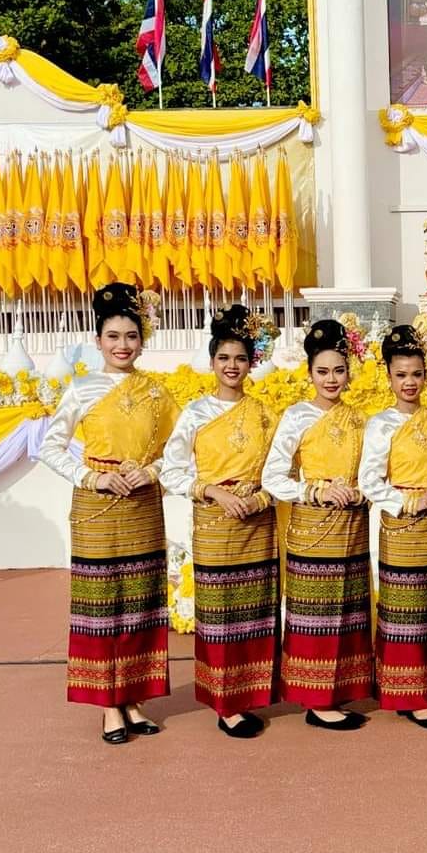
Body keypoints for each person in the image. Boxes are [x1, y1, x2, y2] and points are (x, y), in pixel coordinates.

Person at [38, 283, 178, 745]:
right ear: (98, 340)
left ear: (142, 340)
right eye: (113, 336)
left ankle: (134, 698)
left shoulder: (157, 392)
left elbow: (180, 452)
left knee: (140, 604)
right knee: (100, 608)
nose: (122, 345)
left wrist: (150, 471)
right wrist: (92, 477)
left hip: (142, 506)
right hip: (97, 510)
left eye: (131, 336)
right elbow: (50, 447)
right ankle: (108, 706)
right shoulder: (81, 388)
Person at [161, 307, 280, 740]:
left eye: (241, 358)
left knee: (256, 612)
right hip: (215, 523)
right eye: (224, 358)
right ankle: (226, 704)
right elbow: (171, 471)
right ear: (211, 362)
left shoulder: (265, 414)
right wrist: (214, 492)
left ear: (252, 363)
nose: (232, 366)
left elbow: (280, 472)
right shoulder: (195, 413)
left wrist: (259, 497)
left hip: (256, 523)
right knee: (221, 615)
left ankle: (251, 694)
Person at [260, 319, 372, 731]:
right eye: (322, 371)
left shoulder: (360, 419)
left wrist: (359, 491)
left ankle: (339, 690)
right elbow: (273, 477)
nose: (331, 379)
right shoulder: (296, 417)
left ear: (349, 372)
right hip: (313, 529)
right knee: (316, 615)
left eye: (339, 370)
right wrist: (314, 490)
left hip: (352, 527)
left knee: (348, 612)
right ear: (309, 373)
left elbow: (373, 474)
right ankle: (316, 699)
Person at [358, 323, 427, 730]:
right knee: (406, 612)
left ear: (426, 375)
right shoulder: (380, 425)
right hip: (402, 527)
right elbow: (370, 482)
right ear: (388, 377)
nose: (409, 382)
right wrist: (412, 501)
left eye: (416, 374)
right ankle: (409, 695)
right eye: (401, 374)